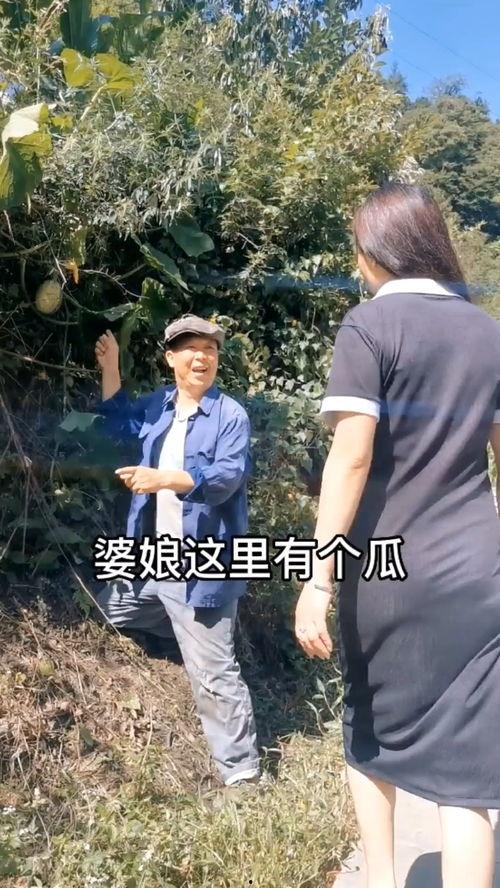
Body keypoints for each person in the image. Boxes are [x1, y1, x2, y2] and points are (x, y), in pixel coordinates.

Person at [294, 183, 500, 888]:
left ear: (376, 251)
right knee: (468, 776)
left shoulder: (369, 326)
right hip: (476, 568)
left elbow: (351, 459)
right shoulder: (489, 333)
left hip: (387, 568)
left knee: (369, 734)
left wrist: (318, 580)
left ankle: (380, 880)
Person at [93, 315, 260, 788]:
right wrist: (111, 367)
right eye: (191, 348)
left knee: (214, 675)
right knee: (110, 609)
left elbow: (225, 479)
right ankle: (178, 638)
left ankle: (243, 774)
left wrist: (162, 479)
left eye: (210, 349)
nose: (202, 357)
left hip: (204, 567)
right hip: (154, 560)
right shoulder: (159, 406)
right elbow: (120, 426)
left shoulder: (230, 416)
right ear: (171, 358)